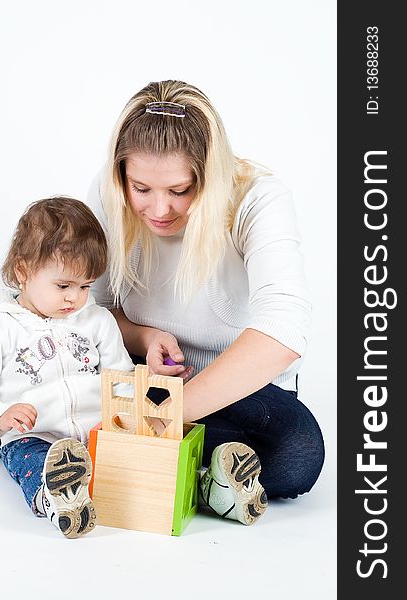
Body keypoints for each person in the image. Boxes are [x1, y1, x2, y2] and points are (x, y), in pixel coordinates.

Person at [86, 80, 325, 526]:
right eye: (141, 188)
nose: (160, 209)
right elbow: (90, 308)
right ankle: (200, 475)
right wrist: (143, 335)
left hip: (232, 390)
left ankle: (115, 460)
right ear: (122, 176)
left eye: (180, 190)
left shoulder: (258, 199)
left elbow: (284, 332)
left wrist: (172, 414)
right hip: (141, 370)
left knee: (297, 452)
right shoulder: (107, 191)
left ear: (210, 176)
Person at [0, 197, 135, 538]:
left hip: (98, 432)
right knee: (31, 461)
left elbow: (120, 376)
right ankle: (55, 498)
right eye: (63, 286)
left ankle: (204, 486)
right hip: (36, 434)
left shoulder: (96, 321)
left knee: (136, 463)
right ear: (23, 272)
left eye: (85, 286)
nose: (75, 298)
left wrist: (124, 420)